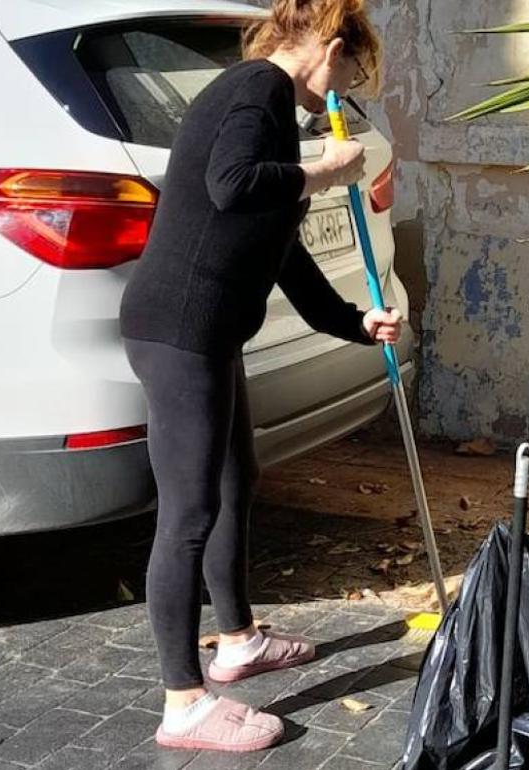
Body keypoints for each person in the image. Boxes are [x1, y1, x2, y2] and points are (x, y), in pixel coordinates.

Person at [118, 0, 395, 753]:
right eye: (347, 74)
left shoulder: (272, 107)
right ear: (328, 49)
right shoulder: (257, 92)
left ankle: (236, 639)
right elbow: (231, 184)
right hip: (179, 332)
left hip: (207, 332)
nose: (338, 94)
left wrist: (353, 321)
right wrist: (322, 169)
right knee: (187, 515)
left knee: (237, 481)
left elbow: (283, 251)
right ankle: (183, 704)